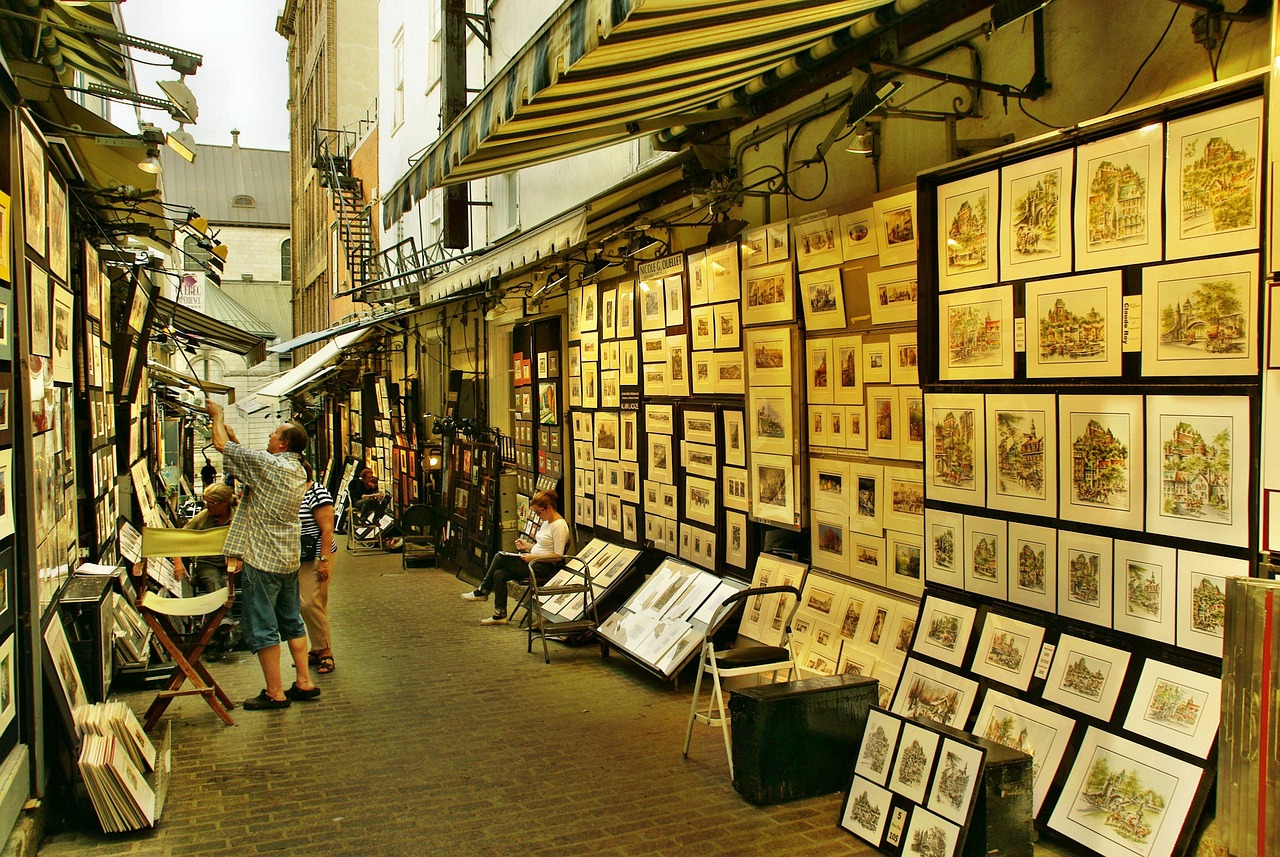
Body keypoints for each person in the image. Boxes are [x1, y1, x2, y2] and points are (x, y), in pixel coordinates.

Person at [206, 400, 319, 711]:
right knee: (292, 620)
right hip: (287, 556)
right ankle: (304, 682)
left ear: (283, 443)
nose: (269, 435)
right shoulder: (295, 468)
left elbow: (221, 445)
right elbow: (241, 455)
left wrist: (216, 416)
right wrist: (227, 429)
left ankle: (275, 692)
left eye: (274, 433)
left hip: (263, 556)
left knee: (263, 624)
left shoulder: (270, 466)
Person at [462, 489, 568, 625]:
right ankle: (499, 614)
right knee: (499, 575)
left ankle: (483, 590)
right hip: (534, 561)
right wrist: (528, 547)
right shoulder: (547, 522)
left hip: (542, 566)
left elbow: (558, 556)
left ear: (549, 508)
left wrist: (532, 558)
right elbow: (544, 546)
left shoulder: (559, 526)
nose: (538, 516)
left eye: (539, 512)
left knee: (500, 557)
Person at [298, 480, 337, 675]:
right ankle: (317, 648)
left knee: (311, 603)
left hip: (316, 554)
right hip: (298, 556)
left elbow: (327, 528)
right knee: (306, 603)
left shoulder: (316, 491)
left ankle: (326, 651)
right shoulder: (291, 489)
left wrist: (324, 560)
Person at [174, 483, 237, 595]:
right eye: (205, 502)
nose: (207, 506)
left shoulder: (238, 517)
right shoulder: (204, 517)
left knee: (229, 585)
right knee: (215, 584)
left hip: (232, 562)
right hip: (208, 563)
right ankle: (222, 612)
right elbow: (179, 539)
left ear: (225, 502)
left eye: (211, 503)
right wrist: (178, 563)